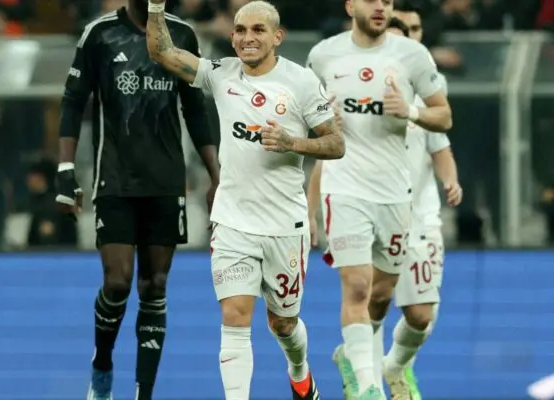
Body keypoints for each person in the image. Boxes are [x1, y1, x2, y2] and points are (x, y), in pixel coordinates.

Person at [145, 0, 345, 398]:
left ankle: (300, 372)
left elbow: (336, 143)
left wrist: (293, 142)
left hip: (284, 224)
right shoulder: (221, 73)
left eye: (257, 30)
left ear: (277, 37)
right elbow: (162, 51)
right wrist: (155, 6)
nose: (247, 38)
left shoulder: (301, 82)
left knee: (283, 324)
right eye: (240, 30)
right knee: (234, 316)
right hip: (233, 220)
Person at [54, 0, 220, 398]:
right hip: (115, 178)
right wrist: (65, 169)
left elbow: (195, 109)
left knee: (155, 285)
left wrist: (218, 176)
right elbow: (73, 100)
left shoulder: (182, 35)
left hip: (166, 181)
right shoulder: (99, 35)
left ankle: (144, 393)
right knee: (117, 282)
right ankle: (102, 366)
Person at [306, 0, 452, 398]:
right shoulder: (323, 56)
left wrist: (411, 111)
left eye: (386, 1)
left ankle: (367, 361)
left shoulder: (412, 56)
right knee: (357, 286)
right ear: (350, 4)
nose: (380, 7)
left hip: (394, 193)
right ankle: (369, 387)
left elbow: (444, 116)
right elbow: (300, 115)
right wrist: (321, 123)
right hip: (344, 188)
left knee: (382, 295)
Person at [380, 5, 462, 399]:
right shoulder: (356, 83)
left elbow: (439, 143)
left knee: (422, 315)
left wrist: (450, 180)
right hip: (372, 211)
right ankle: (362, 373)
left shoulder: (429, 86)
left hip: (420, 214)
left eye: (415, 30)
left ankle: (395, 364)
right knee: (370, 298)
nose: (410, 39)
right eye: (402, 32)